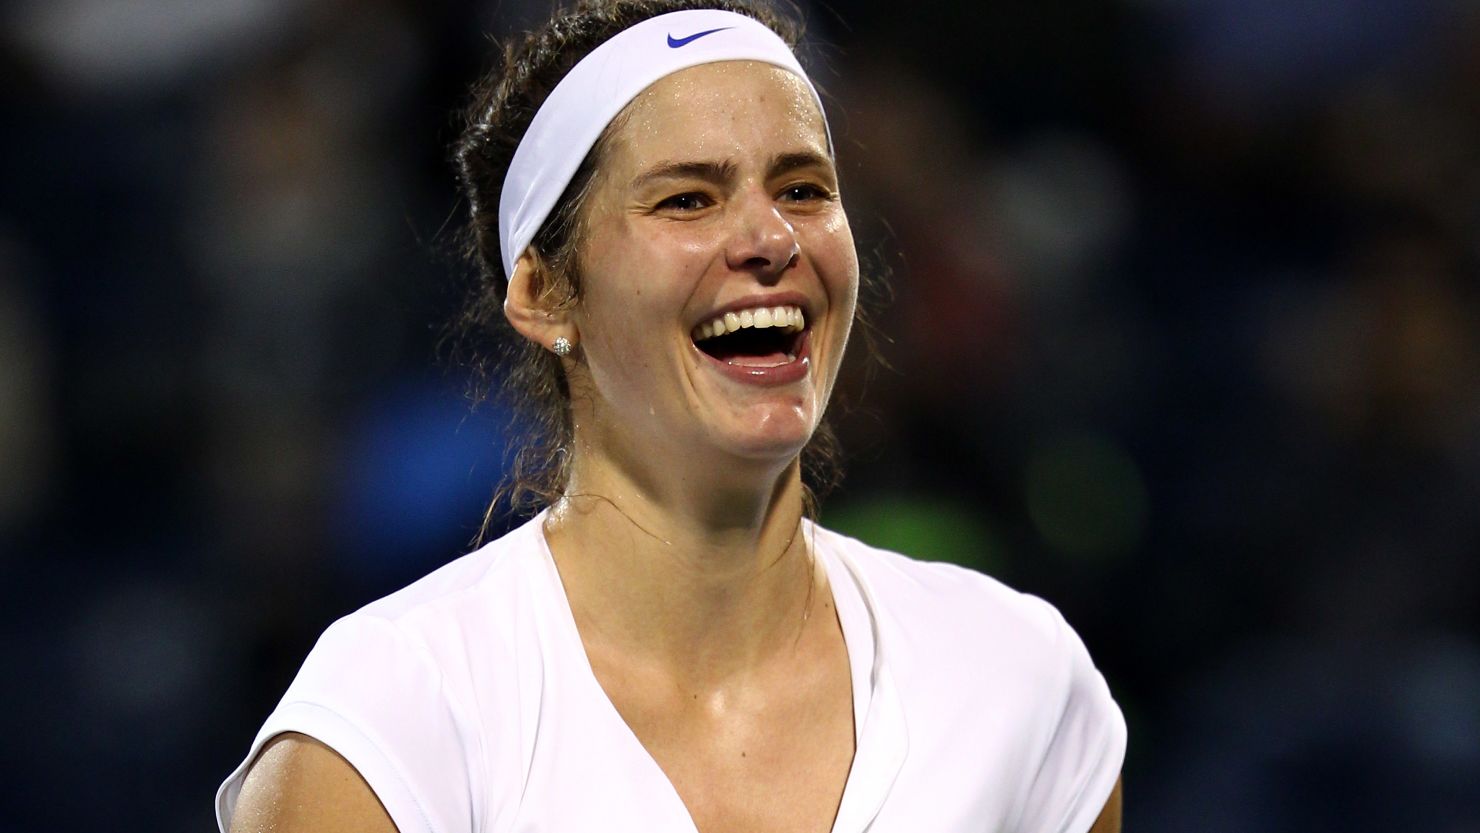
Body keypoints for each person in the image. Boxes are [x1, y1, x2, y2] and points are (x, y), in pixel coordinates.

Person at [215, 1, 1127, 831]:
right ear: (544, 291)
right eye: (688, 197)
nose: (771, 240)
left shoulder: (1017, 680)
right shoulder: (392, 720)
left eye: (804, 189)